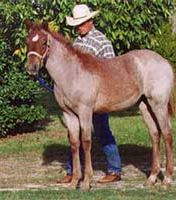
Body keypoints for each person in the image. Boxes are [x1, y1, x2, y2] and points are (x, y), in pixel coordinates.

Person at [57, 4, 122, 184]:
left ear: (90, 21)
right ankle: (73, 171)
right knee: (73, 134)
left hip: (97, 95)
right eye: (77, 24)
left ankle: (115, 169)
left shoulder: (102, 41)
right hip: (76, 97)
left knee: (102, 130)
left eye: (83, 22)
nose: (79, 26)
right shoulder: (76, 42)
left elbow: (111, 67)